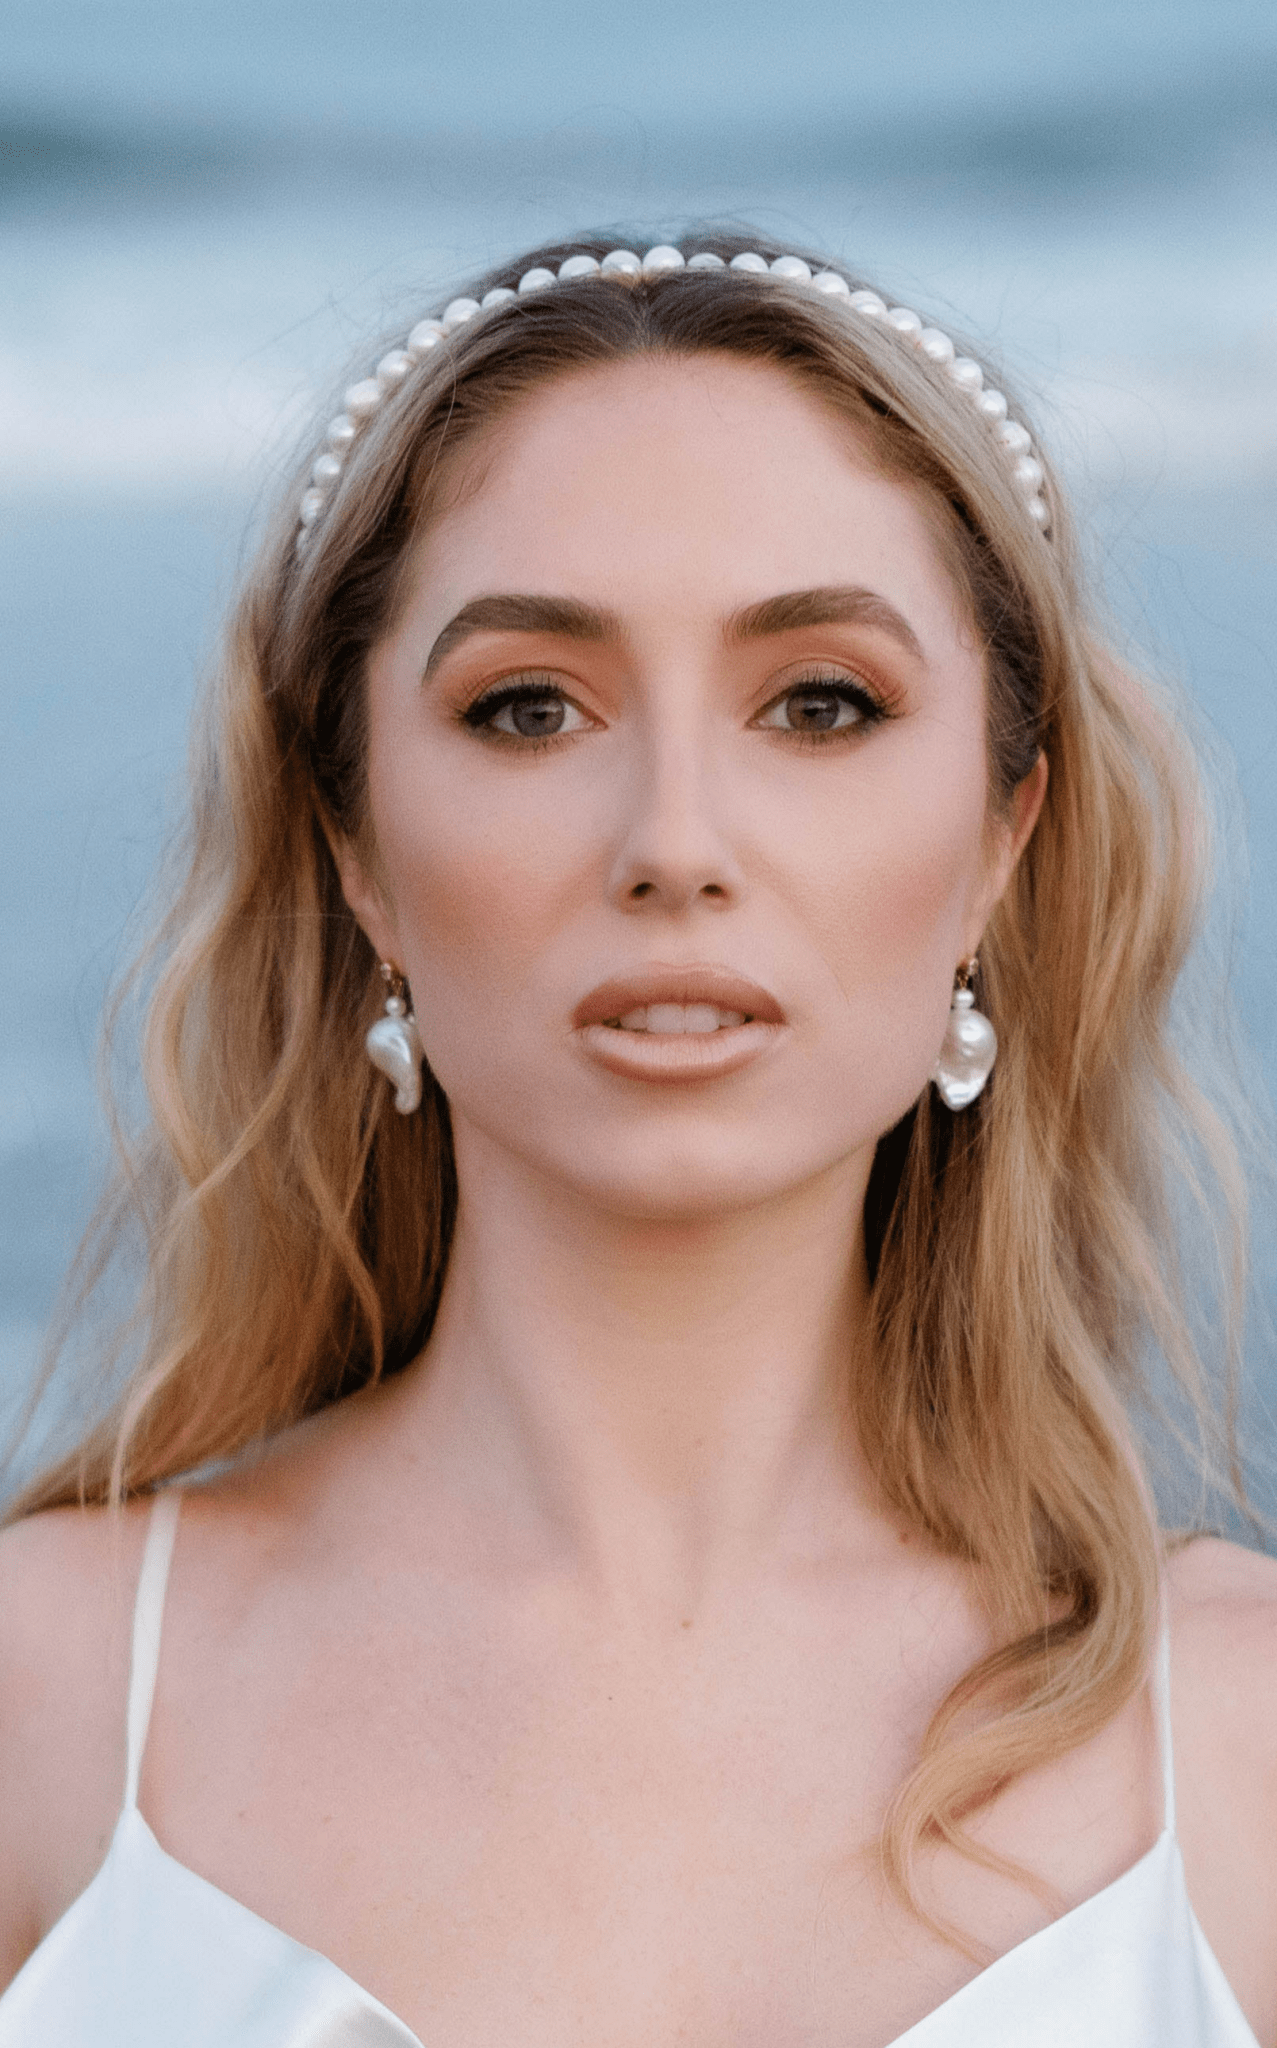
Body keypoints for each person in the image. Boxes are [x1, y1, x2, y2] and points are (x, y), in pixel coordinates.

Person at [0, 228, 1273, 2047]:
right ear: (355, 846)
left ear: (1004, 838)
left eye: (820, 704)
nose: (676, 839)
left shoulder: (1240, 1746)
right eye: (530, 708)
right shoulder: (42, 1703)